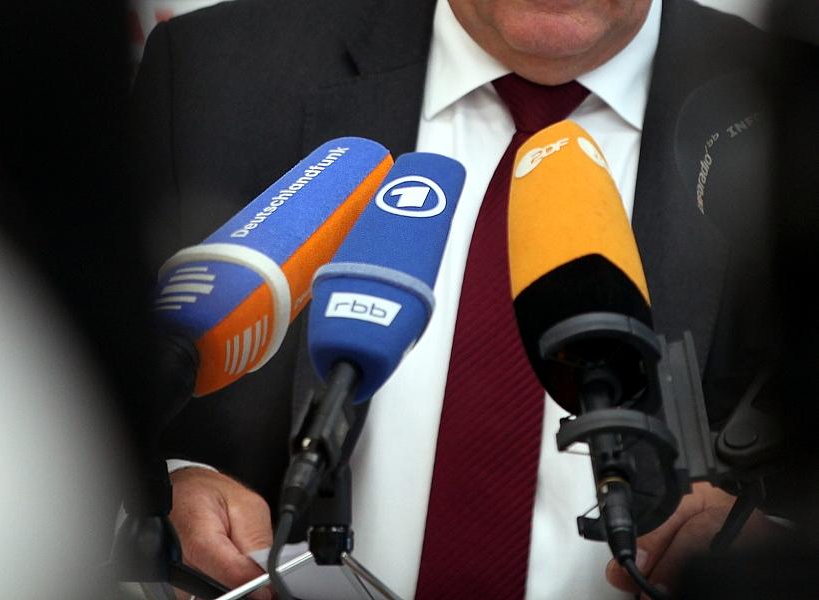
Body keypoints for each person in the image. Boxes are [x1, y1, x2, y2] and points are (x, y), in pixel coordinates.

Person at [131, 0, 783, 597]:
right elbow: (101, 399)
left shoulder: (793, 109)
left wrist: (776, 553)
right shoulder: (211, 71)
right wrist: (159, 491)